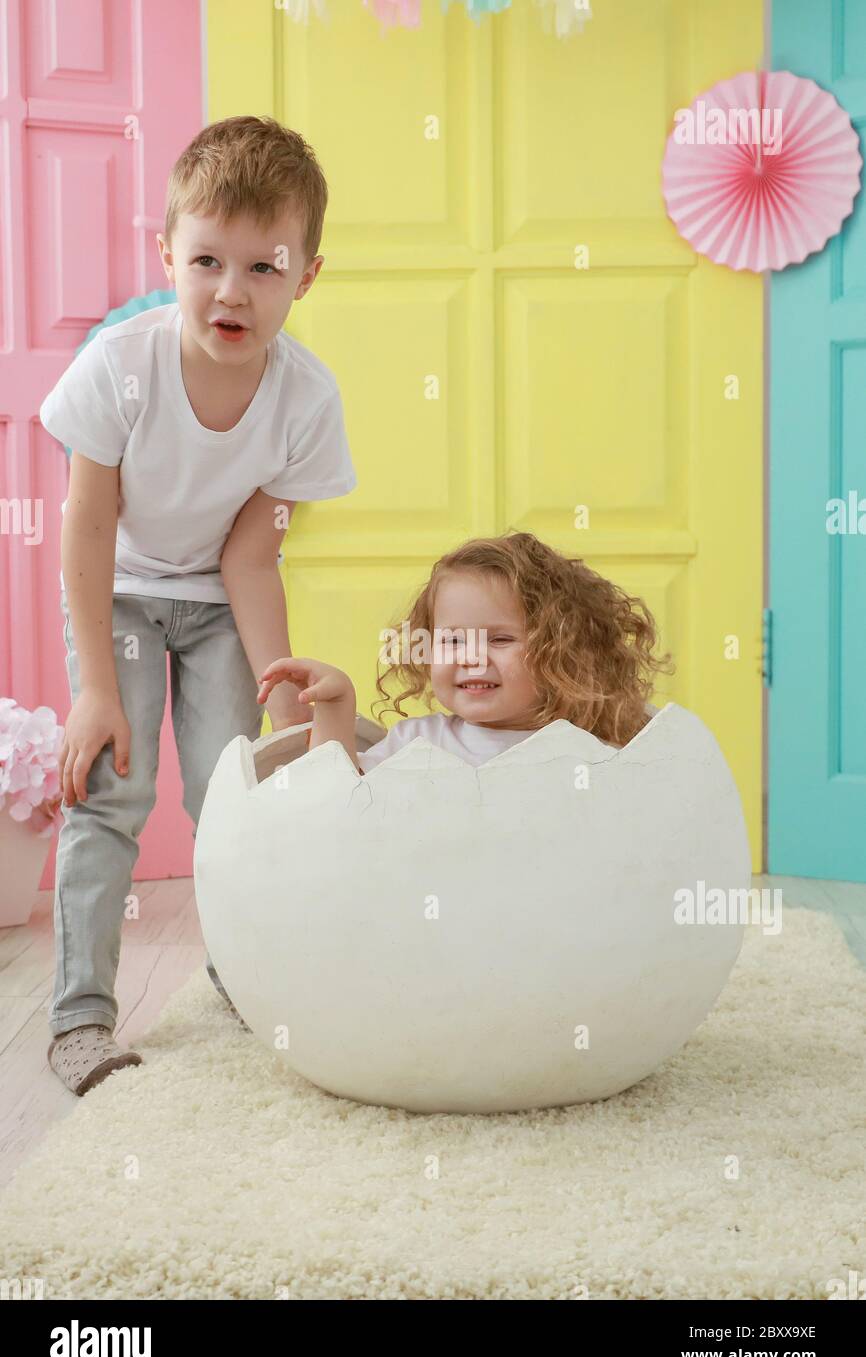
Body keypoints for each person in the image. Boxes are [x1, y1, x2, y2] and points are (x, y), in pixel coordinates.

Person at [38, 116, 355, 1095]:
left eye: (263, 268)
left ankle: (243, 977)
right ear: (167, 251)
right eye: (207, 259)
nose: (231, 290)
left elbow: (250, 556)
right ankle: (80, 1016)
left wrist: (284, 697)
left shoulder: (304, 399)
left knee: (238, 792)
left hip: (218, 601)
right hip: (120, 592)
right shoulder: (120, 370)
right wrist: (97, 684)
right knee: (113, 795)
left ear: (304, 276)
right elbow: (87, 532)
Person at [255, 531, 675, 774]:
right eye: (452, 640)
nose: (471, 657)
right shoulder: (417, 743)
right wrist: (336, 705)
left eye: (500, 639)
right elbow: (332, 803)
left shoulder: (592, 748)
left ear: (561, 650)